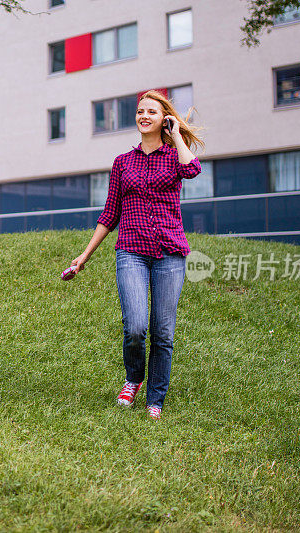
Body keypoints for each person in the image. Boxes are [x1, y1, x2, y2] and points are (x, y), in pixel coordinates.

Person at [70, 90, 205, 419]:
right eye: (141, 111)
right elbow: (109, 214)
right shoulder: (122, 163)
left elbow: (193, 170)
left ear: (164, 119)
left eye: (152, 112)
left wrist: (175, 135)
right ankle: (133, 379)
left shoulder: (175, 157)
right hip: (131, 251)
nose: (144, 116)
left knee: (163, 332)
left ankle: (155, 399)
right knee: (134, 327)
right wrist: (83, 256)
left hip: (169, 254)